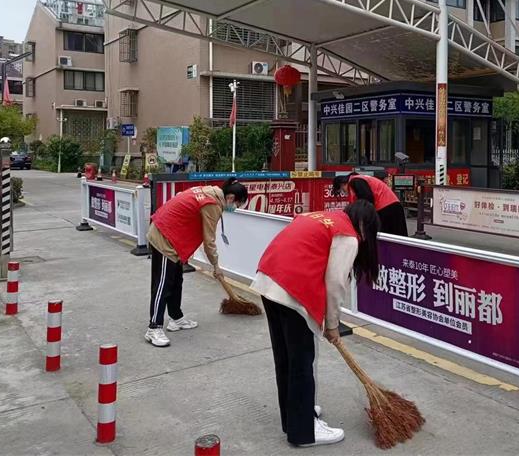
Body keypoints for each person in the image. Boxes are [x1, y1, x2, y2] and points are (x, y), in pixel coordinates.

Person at [251, 201, 380, 447]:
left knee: (286, 359)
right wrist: (332, 324)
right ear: (365, 227)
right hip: (292, 291)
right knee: (301, 362)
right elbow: (335, 284)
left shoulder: (322, 218)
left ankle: (295, 416)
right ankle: (303, 433)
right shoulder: (347, 236)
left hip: (268, 280)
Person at [144, 177, 248, 347]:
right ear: (230, 198)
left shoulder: (209, 192)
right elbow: (209, 241)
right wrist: (216, 266)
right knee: (163, 283)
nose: (235, 207)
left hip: (174, 238)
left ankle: (176, 318)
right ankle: (153, 327)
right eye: (238, 204)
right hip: (164, 236)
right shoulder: (212, 204)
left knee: (176, 280)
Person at [332, 172, 408, 236]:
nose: (344, 193)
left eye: (342, 190)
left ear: (343, 184)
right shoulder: (358, 180)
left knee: (388, 238)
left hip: (387, 208)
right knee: (396, 237)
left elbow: (367, 201)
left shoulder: (355, 181)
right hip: (391, 206)